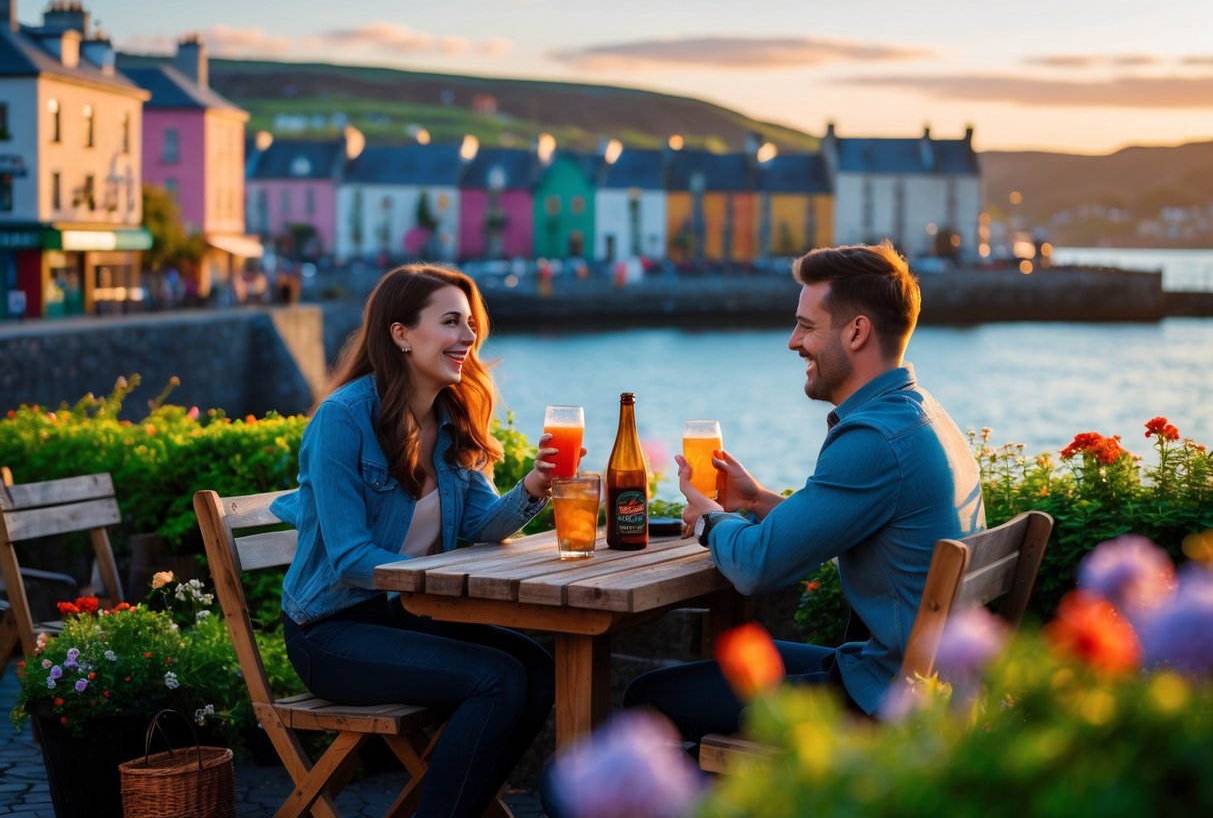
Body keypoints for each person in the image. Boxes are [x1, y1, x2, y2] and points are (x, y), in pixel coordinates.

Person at [623, 240, 986, 734]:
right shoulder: (921, 415)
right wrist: (754, 502)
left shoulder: (873, 440)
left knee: (649, 699)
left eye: (807, 326)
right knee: (743, 656)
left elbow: (754, 567)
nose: (793, 342)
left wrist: (710, 518)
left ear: (857, 332)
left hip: (887, 700)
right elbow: (848, 524)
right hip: (916, 681)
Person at [270, 263, 562, 818]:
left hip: (405, 616)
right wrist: (436, 582)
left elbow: (480, 526)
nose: (468, 338)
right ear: (400, 334)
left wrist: (535, 486)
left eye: (471, 324)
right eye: (451, 322)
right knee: (496, 679)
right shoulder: (343, 420)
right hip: (330, 631)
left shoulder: (450, 418)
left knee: (540, 670)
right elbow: (350, 557)